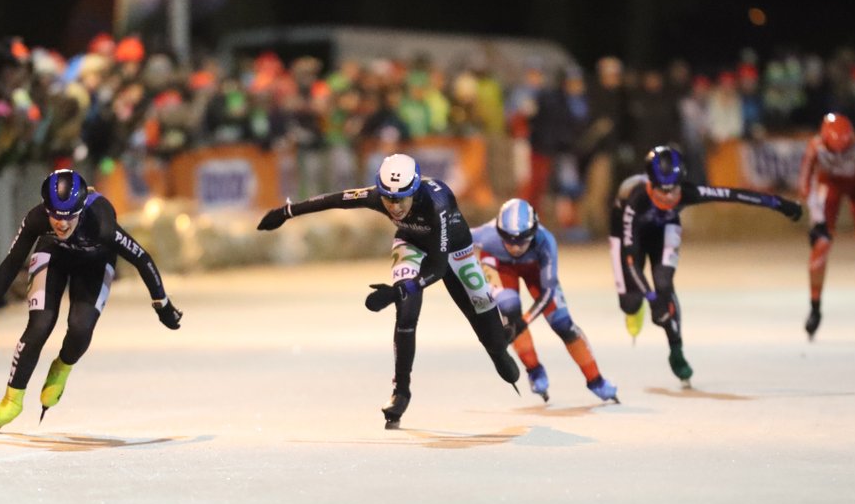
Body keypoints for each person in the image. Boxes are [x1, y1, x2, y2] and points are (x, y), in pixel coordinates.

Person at [256, 153, 520, 429]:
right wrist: (286, 212)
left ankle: (499, 351)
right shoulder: (378, 197)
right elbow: (334, 200)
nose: (394, 207)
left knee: (491, 339)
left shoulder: (437, 202)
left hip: (455, 251)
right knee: (406, 311)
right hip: (411, 242)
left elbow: (439, 267)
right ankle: (401, 391)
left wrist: (394, 292)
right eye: (387, 198)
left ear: (415, 191)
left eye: (401, 199)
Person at [0, 169, 183, 433]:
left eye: (69, 217)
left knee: (81, 327)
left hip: (95, 263)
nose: (61, 224)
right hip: (54, 255)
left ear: (81, 209)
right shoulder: (37, 218)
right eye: (55, 217)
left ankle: (62, 367)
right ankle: (12, 401)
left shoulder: (102, 225)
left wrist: (161, 304)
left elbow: (142, 258)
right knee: (40, 324)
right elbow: (11, 263)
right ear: (45, 209)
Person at [610, 146, 802, 386]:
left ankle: (676, 351)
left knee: (664, 285)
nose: (670, 198)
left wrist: (780, 204)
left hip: (665, 229)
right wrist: (649, 298)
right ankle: (635, 308)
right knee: (630, 302)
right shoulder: (635, 200)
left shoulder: (688, 192)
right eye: (663, 192)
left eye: (675, 191)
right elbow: (629, 259)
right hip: (627, 234)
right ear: (650, 185)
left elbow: (735, 195)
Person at [473, 199, 618, 404]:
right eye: (508, 239)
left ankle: (596, 379)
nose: (515, 247)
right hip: (500, 266)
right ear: (498, 231)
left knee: (562, 323)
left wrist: (524, 320)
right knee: (510, 313)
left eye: (522, 240)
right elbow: (450, 241)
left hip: (534, 270)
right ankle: (534, 370)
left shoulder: (546, 241)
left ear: (533, 232)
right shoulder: (486, 236)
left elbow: (548, 292)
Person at [798, 113, 855, 340]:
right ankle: (815, 308)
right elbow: (806, 184)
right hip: (829, 187)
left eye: (843, 151)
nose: (838, 156)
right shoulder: (816, 147)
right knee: (821, 244)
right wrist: (816, 218)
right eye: (833, 151)